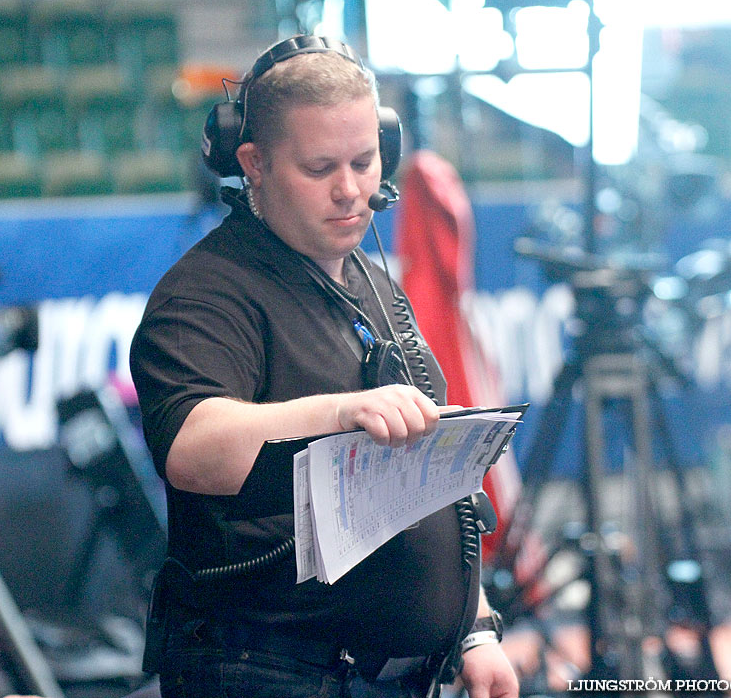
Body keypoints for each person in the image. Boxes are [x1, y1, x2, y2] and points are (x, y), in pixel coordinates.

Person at [129, 34, 518, 698]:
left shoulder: (373, 283)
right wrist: (341, 413)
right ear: (253, 163)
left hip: (393, 676)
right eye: (319, 168)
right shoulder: (205, 292)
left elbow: (431, 482)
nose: (350, 191)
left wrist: (475, 628)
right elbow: (193, 448)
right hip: (268, 672)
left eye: (365, 162)